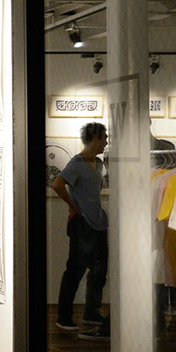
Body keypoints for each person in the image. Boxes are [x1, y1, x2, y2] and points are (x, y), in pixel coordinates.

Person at [52, 121, 109, 335]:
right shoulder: (76, 163)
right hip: (82, 224)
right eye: (104, 138)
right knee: (75, 270)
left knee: (99, 271)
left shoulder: (99, 164)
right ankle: (64, 316)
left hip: (98, 223)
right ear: (94, 138)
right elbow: (57, 184)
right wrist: (72, 205)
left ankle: (91, 312)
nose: (106, 142)